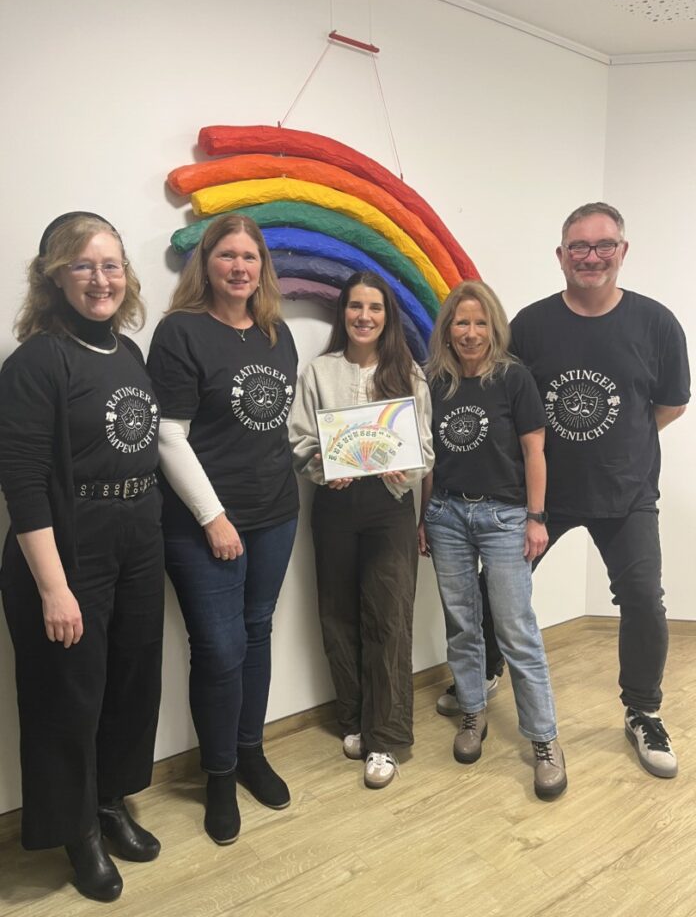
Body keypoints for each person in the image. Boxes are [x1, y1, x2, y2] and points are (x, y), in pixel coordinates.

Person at [0, 212, 164, 903]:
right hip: (67, 547)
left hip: (137, 537)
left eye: (111, 265)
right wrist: (54, 588)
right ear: (54, 276)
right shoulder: (36, 362)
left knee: (130, 682)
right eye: (83, 265)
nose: (101, 279)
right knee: (69, 698)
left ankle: (109, 802)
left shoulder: (129, 353)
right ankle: (79, 832)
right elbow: (22, 481)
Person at [509, 202, 689, 778]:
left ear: (622, 251)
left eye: (603, 245)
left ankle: (643, 711)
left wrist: (620, 442)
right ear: (561, 256)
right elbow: (509, 405)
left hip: (627, 492)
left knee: (643, 601)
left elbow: (670, 404)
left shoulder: (656, 323)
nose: (591, 257)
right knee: (502, 587)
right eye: (579, 247)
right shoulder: (530, 325)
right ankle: (483, 672)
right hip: (544, 494)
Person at [147, 215, 298, 845]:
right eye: (227, 256)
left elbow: (277, 427)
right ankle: (218, 774)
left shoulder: (276, 333)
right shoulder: (180, 332)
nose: (239, 267)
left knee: (257, 632)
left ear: (262, 267)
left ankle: (250, 752)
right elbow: (167, 434)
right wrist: (214, 517)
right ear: (205, 264)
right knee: (217, 648)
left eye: (250, 257)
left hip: (276, 513)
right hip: (202, 523)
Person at [419, 280, 567, 800]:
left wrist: (536, 518)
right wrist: (424, 516)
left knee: (515, 630)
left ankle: (544, 739)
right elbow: (428, 459)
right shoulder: (434, 382)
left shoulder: (514, 379)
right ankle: (472, 711)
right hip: (447, 515)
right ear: (448, 329)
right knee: (462, 625)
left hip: (505, 517)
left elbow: (534, 452)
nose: (471, 332)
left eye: (480, 322)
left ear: (494, 327)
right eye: (461, 322)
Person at [289, 271, 434, 789]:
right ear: (343, 312)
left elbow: (424, 447)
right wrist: (324, 467)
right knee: (337, 614)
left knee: (389, 618)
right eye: (356, 306)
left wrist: (406, 470)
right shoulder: (319, 371)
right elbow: (300, 439)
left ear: (387, 316)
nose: (364, 316)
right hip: (333, 504)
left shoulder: (409, 374)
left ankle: (386, 738)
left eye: (375, 308)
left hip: (389, 506)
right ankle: (352, 719)